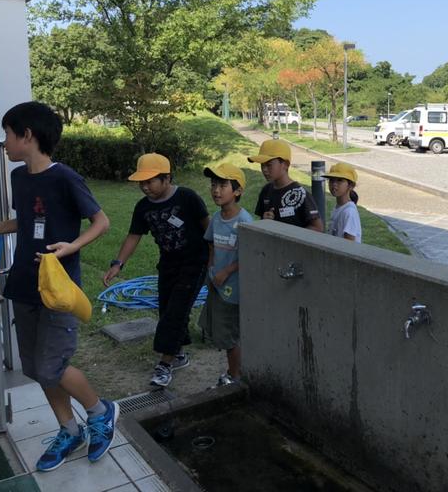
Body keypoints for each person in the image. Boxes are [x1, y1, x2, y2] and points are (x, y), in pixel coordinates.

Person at [0, 101, 117, 471]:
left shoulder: (65, 177)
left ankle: (100, 412)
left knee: (53, 366)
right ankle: (70, 430)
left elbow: (101, 222)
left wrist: (72, 246)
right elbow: (26, 221)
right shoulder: (19, 177)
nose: (3, 143)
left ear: (27, 135)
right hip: (24, 284)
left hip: (59, 289)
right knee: (35, 367)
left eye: (7, 134)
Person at [102, 154, 209, 387]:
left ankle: (165, 364)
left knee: (176, 311)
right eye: (141, 182)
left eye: (150, 181)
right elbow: (134, 236)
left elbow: (207, 228)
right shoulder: (143, 207)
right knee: (167, 309)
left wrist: (214, 261)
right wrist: (117, 264)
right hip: (168, 264)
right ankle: (179, 353)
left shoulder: (187, 197)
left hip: (195, 262)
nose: (145, 187)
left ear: (167, 178)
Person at [198, 163, 252, 387]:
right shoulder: (217, 218)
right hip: (217, 283)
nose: (216, 190)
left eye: (222, 185)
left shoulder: (245, 222)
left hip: (234, 288)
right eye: (213, 185)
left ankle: (235, 377)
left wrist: (226, 271)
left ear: (237, 191)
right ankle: (233, 372)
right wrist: (211, 272)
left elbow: (248, 256)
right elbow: (211, 245)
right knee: (221, 331)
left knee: (231, 336)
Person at [247, 139, 323, 231]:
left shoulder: (301, 194)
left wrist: (291, 236)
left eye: (269, 165)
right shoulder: (266, 190)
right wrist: (265, 220)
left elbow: (318, 227)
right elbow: (262, 221)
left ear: (285, 164)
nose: (264, 169)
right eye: (262, 165)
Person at [322, 163, 362, 242]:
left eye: (340, 180)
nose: (334, 184)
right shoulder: (339, 207)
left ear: (351, 185)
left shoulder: (349, 212)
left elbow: (349, 246)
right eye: (331, 180)